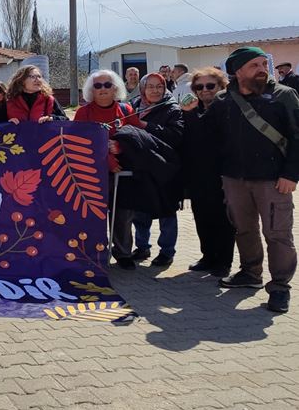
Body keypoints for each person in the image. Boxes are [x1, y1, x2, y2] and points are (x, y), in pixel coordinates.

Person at [206, 47, 299, 313]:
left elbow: (297, 137)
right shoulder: (223, 100)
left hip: (274, 180)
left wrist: (291, 174)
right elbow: (210, 136)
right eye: (254, 65)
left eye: (263, 64)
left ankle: (280, 287)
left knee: (278, 234)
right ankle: (250, 273)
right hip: (234, 179)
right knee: (244, 229)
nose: (262, 70)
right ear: (238, 71)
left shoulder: (283, 95)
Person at [117, 73, 184, 268]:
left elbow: (175, 135)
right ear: (142, 89)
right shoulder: (133, 107)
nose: (155, 90)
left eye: (159, 86)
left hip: (164, 167)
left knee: (166, 212)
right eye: (150, 86)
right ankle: (142, 247)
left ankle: (167, 251)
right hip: (141, 166)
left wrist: (145, 126)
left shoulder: (172, 109)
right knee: (140, 211)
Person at [75, 70, 136, 263]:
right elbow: (78, 143)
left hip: (122, 171)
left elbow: (137, 138)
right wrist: (107, 158)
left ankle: (123, 253)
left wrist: (121, 146)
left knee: (122, 215)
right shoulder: (83, 113)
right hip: (92, 173)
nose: (103, 89)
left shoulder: (126, 110)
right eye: (97, 85)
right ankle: (94, 254)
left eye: (107, 85)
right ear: (91, 90)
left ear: (115, 88)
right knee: (94, 215)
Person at [180, 67, 235, 277]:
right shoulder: (192, 110)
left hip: (223, 174)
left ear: (221, 86)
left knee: (223, 219)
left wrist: (190, 114)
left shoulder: (227, 108)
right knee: (202, 217)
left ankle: (224, 261)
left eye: (210, 85)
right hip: (197, 174)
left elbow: (208, 135)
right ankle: (208, 256)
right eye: (199, 86)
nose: (204, 90)